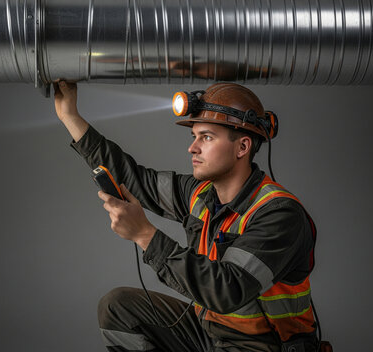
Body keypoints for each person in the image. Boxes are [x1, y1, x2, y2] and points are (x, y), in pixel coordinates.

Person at [54, 81, 318, 352]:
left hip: (262, 346)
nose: (192, 148)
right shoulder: (199, 193)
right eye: (193, 136)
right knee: (118, 307)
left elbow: (228, 291)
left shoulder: (279, 214)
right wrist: (70, 117)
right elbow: (134, 181)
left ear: (243, 147)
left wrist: (146, 235)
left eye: (206, 137)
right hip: (211, 335)